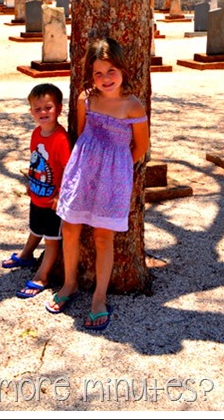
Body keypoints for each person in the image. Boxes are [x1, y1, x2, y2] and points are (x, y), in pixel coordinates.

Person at [45, 37, 149, 330]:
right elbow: (80, 133)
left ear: (123, 69)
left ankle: (99, 298)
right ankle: (69, 284)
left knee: (104, 237)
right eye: (98, 73)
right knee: (70, 228)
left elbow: (141, 146)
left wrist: (118, 169)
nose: (105, 79)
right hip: (83, 170)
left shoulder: (132, 106)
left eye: (111, 71)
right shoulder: (85, 99)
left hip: (113, 176)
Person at [2, 83, 71, 298]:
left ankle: (42, 275)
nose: (43, 113)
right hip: (37, 195)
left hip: (53, 201)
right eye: (37, 109)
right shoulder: (36, 133)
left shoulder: (61, 139)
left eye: (48, 108)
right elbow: (35, 160)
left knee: (51, 239)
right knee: (34, 228)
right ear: (31, 111)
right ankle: (26, 254)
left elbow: (69, 170)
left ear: (59, 109)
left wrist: (61, 194)